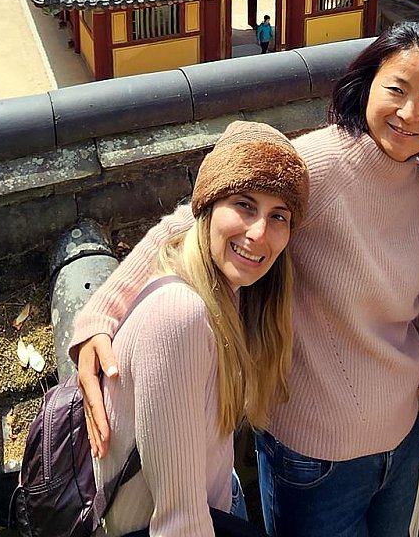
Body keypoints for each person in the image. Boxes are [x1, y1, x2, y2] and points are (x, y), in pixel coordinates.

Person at [74, 22, 419, 537]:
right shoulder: (317, 164)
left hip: (400, 439)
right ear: (367, 84)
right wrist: (100, 313)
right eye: (397, 89)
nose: (409, 113)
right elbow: (194, 222)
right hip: (311, 453)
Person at [98, 121, 307, 537]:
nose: (258, 233)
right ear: (208, 206)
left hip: (219, 496)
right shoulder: (180, 315)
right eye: (244, 205)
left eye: (278, 216)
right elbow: (179, 523)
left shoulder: (228, 293)